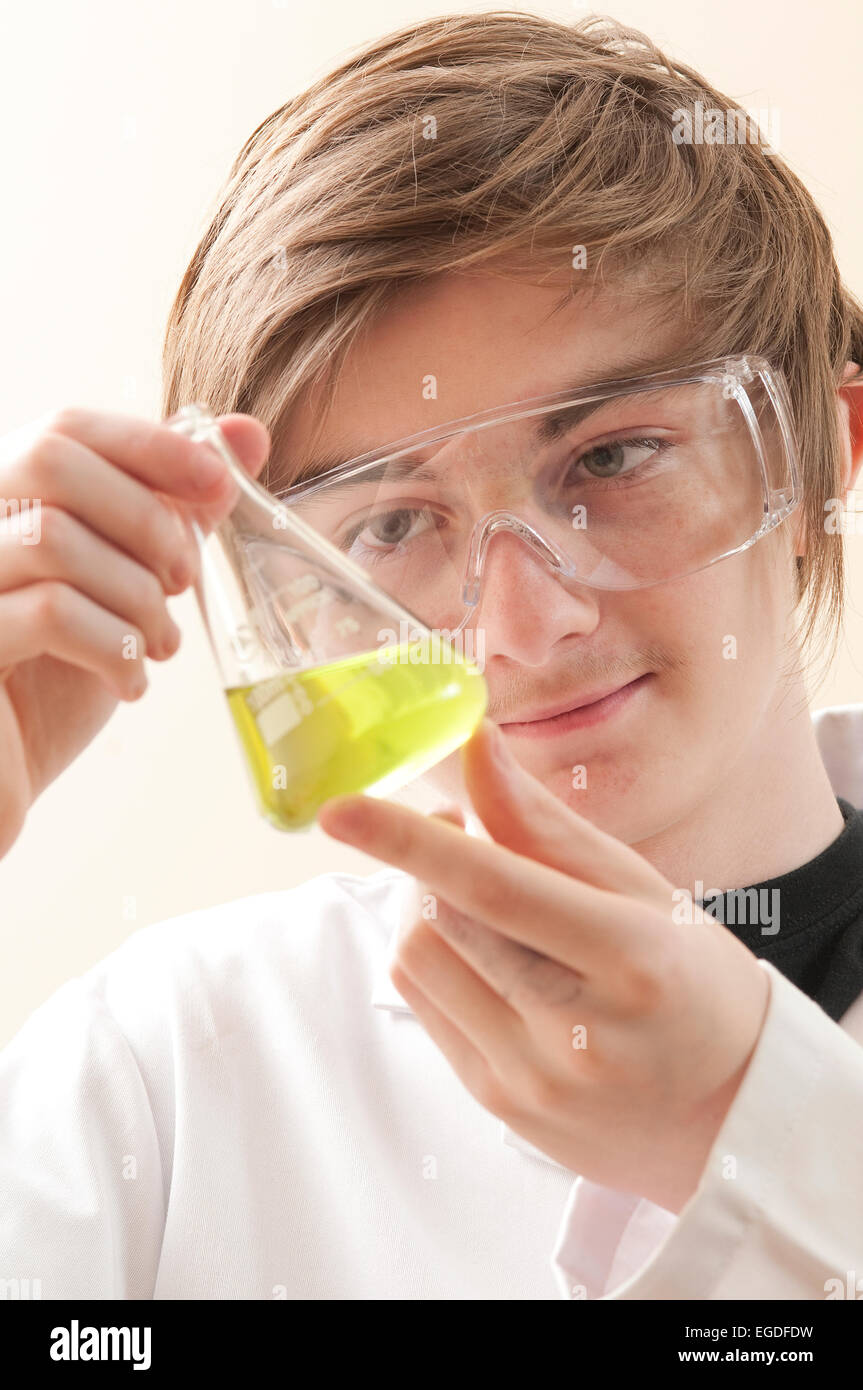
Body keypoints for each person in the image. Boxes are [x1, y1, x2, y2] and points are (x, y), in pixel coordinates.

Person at [2, 11, 863, 1300]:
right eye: (392, 527)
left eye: (614, 458)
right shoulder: (160, 1077)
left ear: (825, 450)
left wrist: (778, 1141)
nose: (524, 627)